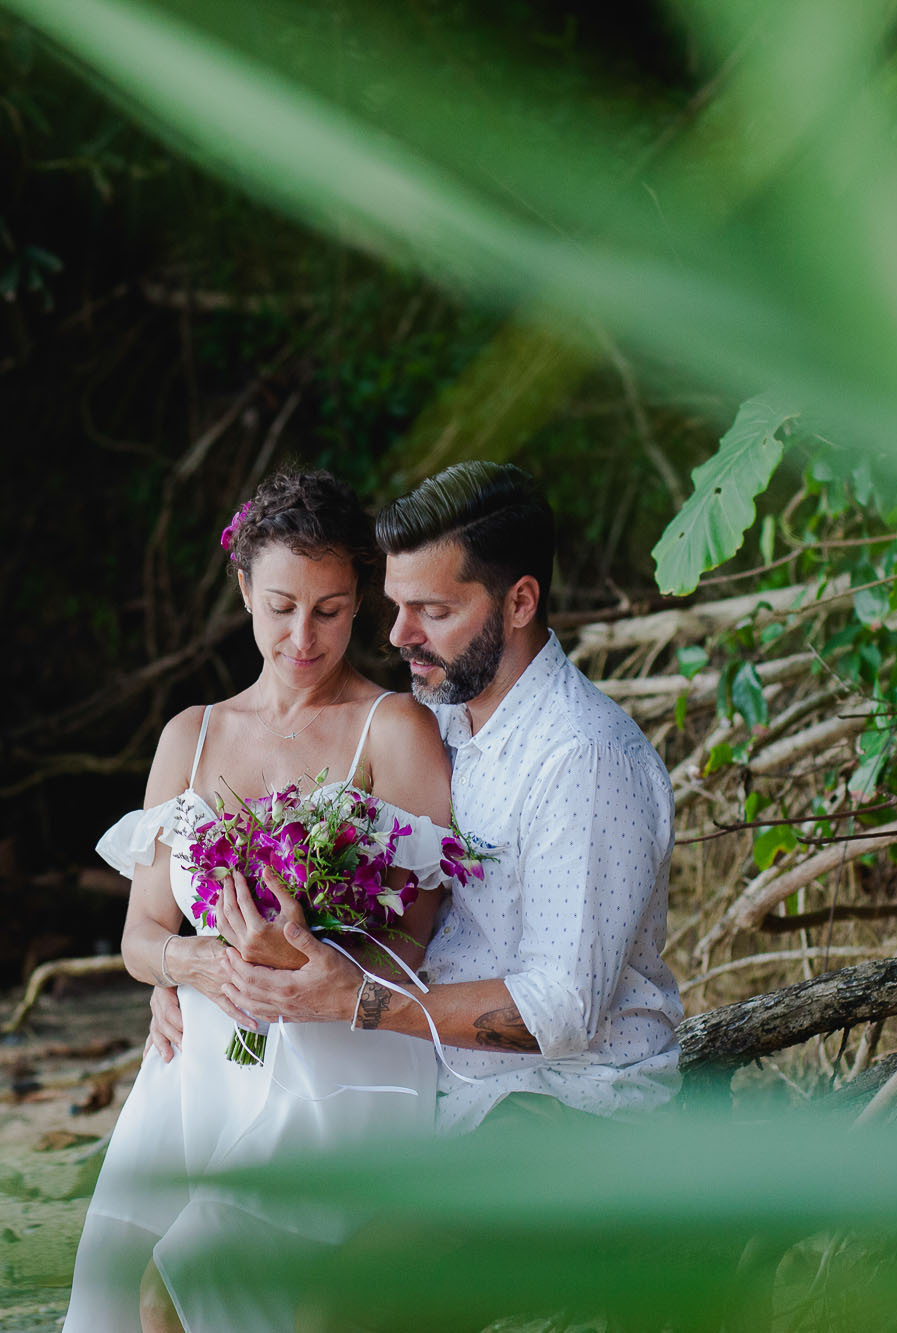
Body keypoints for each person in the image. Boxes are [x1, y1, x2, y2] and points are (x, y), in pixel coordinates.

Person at [61, 470, 456, 1333]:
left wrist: (306, 956)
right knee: (119, 1280)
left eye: (330, 608)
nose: (303, 636)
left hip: (339, 1064)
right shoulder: (190, 734)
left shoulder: (394, 728)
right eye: (281, 606)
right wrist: (190, 963)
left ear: (360, 601)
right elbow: (139, 935)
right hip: (202, 1051)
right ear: (243, 590)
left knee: (185, 1275)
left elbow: (419, 944)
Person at [225, 460, 685, 1135]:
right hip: (430, 1090)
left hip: (562, 1114)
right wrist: (206, 980)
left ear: (520, 602)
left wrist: (362, 1001)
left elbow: (560, 1011)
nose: (397, 635)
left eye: (433, 611)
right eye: (397, 605)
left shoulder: (582, 756)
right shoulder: (438, 720)